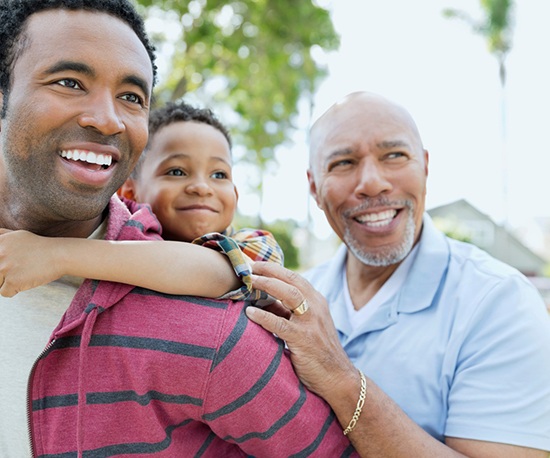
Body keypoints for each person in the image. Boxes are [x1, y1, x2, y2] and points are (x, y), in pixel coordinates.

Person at [0, 1, 357, 456]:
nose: (107, 118)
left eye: (131, 97)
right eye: (70, 83)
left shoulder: (219, 322)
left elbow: (217, 270)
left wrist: (54, 255)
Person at [246, 91, 550, 457]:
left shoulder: (498, 302)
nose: (372, 183)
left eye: (394, 155)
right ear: (314, 186)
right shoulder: (292, 298)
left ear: (424, 166)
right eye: (343, 162)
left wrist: (340, 380)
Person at [0, 101, 283, 304]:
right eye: (176, 172)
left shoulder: (258, 246)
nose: (201, 187)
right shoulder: (120, 237)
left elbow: (215, 271)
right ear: (129, 191)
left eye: (219, 174)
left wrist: (52, 254)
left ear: (235, 193)